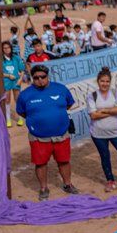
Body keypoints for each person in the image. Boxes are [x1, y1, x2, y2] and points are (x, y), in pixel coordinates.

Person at [16, 65, 78, 201]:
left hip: (61, 134)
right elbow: (21, 112)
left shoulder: (61, 89)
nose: (40, 80)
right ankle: (44, 188)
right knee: (41, 163)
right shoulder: (25, 95)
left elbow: (68, 104)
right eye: (36, 78)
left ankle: (68, 184)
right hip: (38, 137)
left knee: (64, 161)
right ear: (32, 78)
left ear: (47, 76)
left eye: (43, 77)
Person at [0, 41, 25, 127]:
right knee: (7, 100)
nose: (6, 49)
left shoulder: (16, 58)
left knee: (17, 99)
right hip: (6, 82)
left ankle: (20, 118)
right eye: (4, 48)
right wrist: (8, 75)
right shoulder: (0, 59)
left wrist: (20, 79)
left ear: (11, 48)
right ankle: (8, 119)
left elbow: (22, 70)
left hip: (16, 82)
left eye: (8, 48)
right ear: (2, 49)